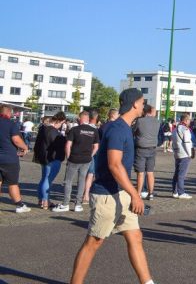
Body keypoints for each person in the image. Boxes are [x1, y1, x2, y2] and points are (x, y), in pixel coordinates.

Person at [69, 88, 155, 284]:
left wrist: (130, 193)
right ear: (134, 104)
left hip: (121, 192)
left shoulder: (122, 127)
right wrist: (135, 194)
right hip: (106, 195)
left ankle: (147, 282)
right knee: (94, 242)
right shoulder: (117, 129)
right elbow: (114, 164)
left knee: (135, 236)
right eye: (142, 102)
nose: (143, 106)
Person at [54, 110, 99, 212]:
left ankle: (66, 204)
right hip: (86, 159)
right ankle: (78, 204)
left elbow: (68, 145)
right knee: (82, 180)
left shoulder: (74, 129)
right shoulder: (94, 131)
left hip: (74, 158)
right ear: (88, 119)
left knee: (68, 181)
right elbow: (96, 147)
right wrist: (90, 155)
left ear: (80, 118)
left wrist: (68, 157)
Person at [0, 104, 30, 213]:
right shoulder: (11, 124)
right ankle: (19, 205)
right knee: (12, 183)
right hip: (9, 159)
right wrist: (25, 147)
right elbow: (16, 140)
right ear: (8, 113)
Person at [34, 111, 66, 209]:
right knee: (48, 180)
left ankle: (41, 200)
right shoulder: (53, 131)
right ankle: (45, 201)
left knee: (44, 179)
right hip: (52, 158)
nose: (61, 126)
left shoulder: (43, 129)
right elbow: (56, 145)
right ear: (59, 121)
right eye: (61, 124)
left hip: (44, 157)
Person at [133, 105, 160, 201]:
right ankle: (151, 193)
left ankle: (138, 193)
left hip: (141, 148)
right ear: (151, 112)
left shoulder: (140, 121)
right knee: (150, 172)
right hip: (152, 148)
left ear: (145, 111)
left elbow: (134, 131)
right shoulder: (157, 121)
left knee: (140, 173)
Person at [171, 113, 193, 199]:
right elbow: (187, 143)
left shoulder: (175, 129)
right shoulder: (185, 129)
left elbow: (173, 142)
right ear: (186, 120)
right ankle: (181, 192)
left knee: (176, 173)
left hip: (177, 152)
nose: (190, 122)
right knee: (182, 174)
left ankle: (175, 191)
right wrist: (190, 154)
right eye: (189, 120)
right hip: (184, 153)